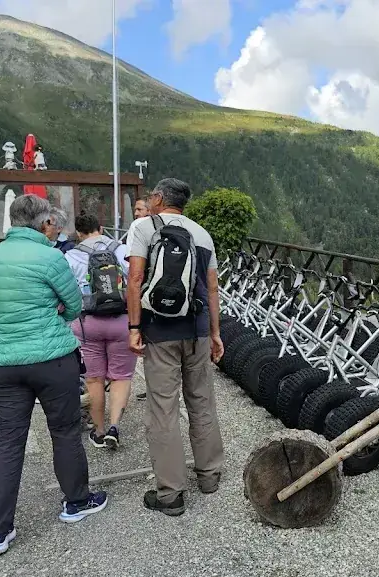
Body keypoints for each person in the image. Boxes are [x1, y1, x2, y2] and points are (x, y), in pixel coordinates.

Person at [0, 194, 107, 556]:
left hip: (1, 361)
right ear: (42, 222)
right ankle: (76, 502)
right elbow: (75, 306)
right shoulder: (51, 256)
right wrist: (55, 315)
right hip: (51, 358)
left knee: (7, 441)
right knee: (64, 432)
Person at [126, 178, 224, 516]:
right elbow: (212, 290)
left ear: (157, 198)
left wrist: (134, 326)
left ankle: (170, 494)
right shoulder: (202, 234)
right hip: (196, 330)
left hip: (159, 331)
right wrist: (215, 333)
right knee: (201, 402)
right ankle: (209, 476)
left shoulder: (144, 227)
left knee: (163, 410)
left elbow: (135, 279)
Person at [65, 213, 133, 450]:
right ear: (101, 227)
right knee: (121, 377)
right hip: (122, 321)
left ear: (78, 233)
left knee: (94, 379)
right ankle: (114, 426)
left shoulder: (71, 256)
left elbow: (66, 293)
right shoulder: (122, 250)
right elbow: (136, 281)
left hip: (87, 323)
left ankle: (99, 431)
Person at [131, 196, 151, 401]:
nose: (136, 214)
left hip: (143, 292)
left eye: (139, 209)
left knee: (147, 343)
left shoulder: (139, 227)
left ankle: (155, 388)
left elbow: (133, 273)